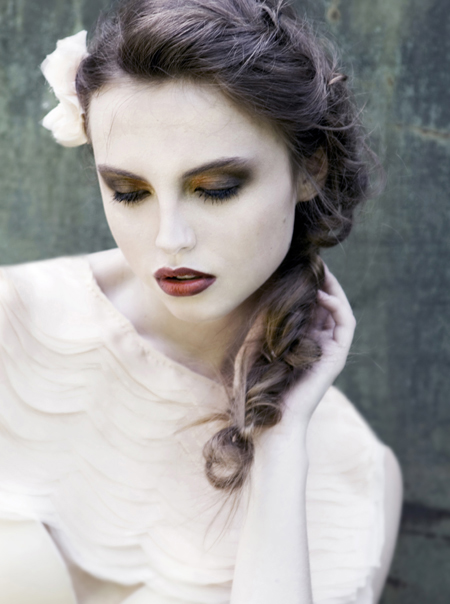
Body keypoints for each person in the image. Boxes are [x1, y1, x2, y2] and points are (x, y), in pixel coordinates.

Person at [0, 0, 403, 602]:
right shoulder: (15, 322)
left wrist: (280, 442)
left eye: (215, 189)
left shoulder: (355, 479)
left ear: (310, 170)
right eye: (129, 191)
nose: (171, 238)